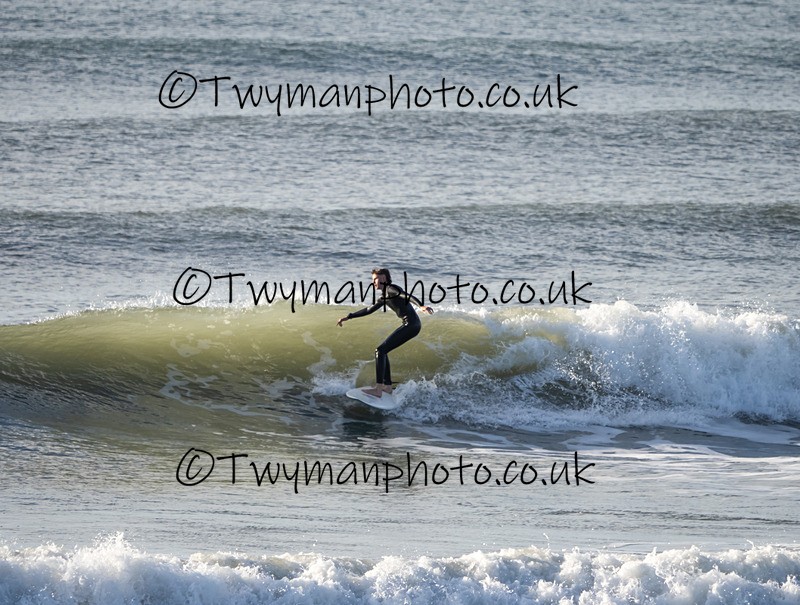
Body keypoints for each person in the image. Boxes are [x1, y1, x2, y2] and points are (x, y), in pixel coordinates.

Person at [337, 268, 433, 398]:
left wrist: (421, 305)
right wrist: (349, 316)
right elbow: (368, 310)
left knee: (380, 350)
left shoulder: (391, 289)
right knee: (383, 351)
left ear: (383, 278)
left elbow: (406, 296)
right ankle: (387, 386)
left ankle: (378, 388)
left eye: (375, 279)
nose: (373, 283)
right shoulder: (384, 296)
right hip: (411, 325)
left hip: (411, 325)